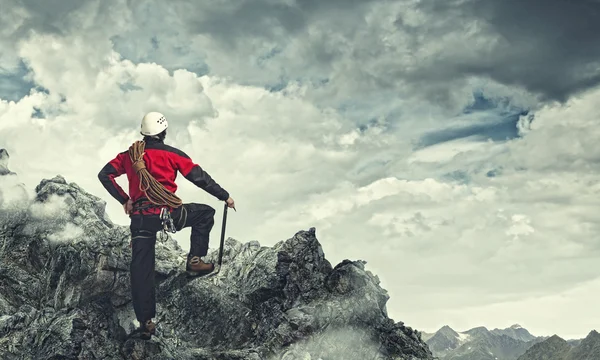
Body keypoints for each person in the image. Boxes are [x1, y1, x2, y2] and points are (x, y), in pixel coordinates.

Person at [97, 111, 235, 340]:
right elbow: (200, 178)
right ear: (164, 132)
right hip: (168, 213)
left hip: (141, 218)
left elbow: (105, 175)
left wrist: (124, 199)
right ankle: (195, 261)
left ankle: (146, 323)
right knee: (205, 214)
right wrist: (224, 196)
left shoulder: (129, 157)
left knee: (141, 269)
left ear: (143, 132)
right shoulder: (173, 155)